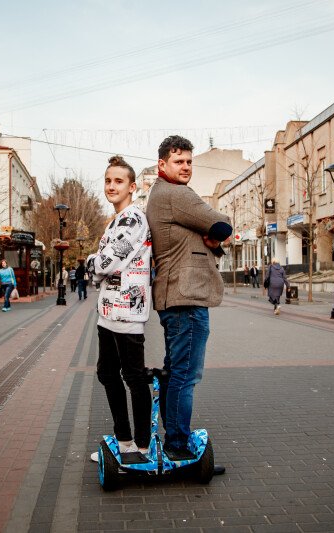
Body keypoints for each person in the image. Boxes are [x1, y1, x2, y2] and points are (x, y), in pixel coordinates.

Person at [145, 135, 231, 471]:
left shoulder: (161, 193)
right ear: (162, 164)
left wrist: (212, 238)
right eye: (178, 161)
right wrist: (214, 234)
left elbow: (212, 233)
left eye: (189, 162)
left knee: (175, 371)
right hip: (186, 297)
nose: (185, 167)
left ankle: (174, 440)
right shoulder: (176, 194)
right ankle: (177, 447)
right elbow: (221, 223)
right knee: (185, 375)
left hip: (175, 296)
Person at [87, 155, 153, 462]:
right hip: (108, 313)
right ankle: (124, 441)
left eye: (118, 181)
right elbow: (106, 265)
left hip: (128, 312)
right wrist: (99, 266)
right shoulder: (115, 221)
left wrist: (91, 263)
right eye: (107, 181)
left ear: (132, 187)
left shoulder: (133, 219)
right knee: (107, 373)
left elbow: (105, 262)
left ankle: (142, 445)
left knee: (134, 378)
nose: (111, 186)